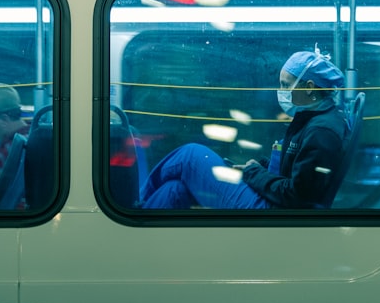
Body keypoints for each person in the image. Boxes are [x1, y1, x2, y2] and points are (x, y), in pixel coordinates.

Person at [139, 49, 349, 209]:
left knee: (190, 156)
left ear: (310, 87)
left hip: (273, 209)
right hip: (272, 197)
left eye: (286, 85)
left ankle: (135, 206)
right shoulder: (311, 118)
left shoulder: (322, 131)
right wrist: (260, 167)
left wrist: (254, 173)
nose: (281, 91)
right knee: (175, 189)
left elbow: (298, 196)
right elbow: (290, 169)